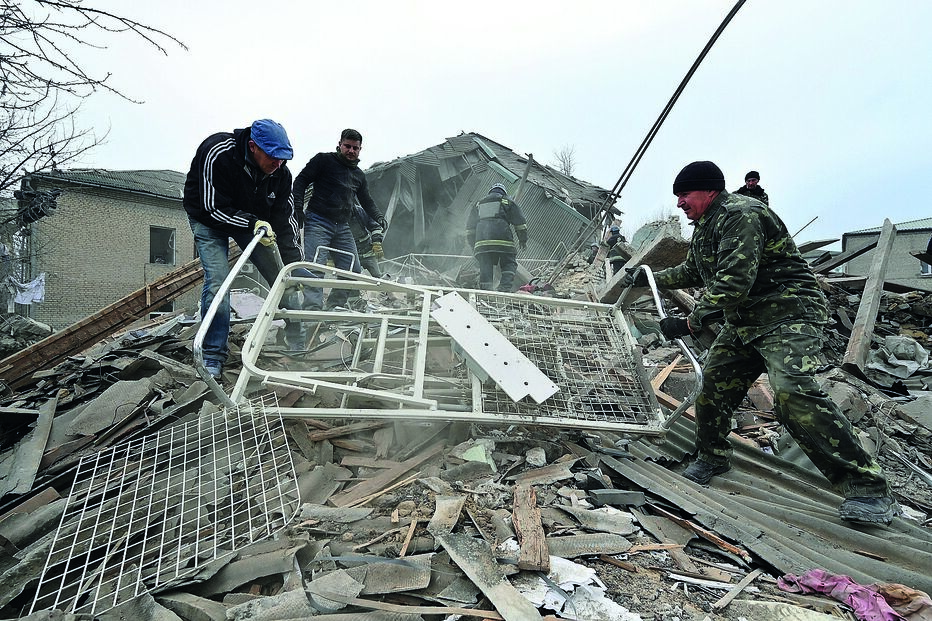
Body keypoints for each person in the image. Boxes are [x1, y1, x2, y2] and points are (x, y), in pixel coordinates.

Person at [622, 160, 897, 525]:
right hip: (746, 322)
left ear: (709, 190)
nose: (679, 204)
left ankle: (868, 489)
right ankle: (713, 456)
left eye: (684, 195)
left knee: (791, 392)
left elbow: (733, 282)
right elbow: (695, 271)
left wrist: (690, 321)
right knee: (713, 386)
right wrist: (646, 277)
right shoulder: (707, 226)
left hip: (787, 314)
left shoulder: (742, 214)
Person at [183, 119, 302, 378]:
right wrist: (252, 223)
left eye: (283, 159)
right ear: (252, 146)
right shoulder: (218, 152)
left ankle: (297, 339)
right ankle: (212, 356)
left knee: (284, 277)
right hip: (209, 216)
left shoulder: (281, 172)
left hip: (253, 220)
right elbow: (210, 207)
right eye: (273, 157)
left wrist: (295, 265)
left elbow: (285, 221)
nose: (278, 164)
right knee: (218, 282)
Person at [291, 129, 386, 311]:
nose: (351, 151)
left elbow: (366, 200)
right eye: (347, 146)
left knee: (352, 269)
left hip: (342, 226)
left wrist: (379, 217)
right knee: (315, 267)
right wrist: (297, 207)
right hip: (318, 221)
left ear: (360, 150)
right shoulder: (323, 161)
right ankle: (312, 311)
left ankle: (335, 306)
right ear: (340, 144)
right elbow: (301, 181)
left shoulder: (358, 175)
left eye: (355, 148)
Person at [465, 182, 528, 291]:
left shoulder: (478, 204)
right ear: (504, 192)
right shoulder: (507, 201)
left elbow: (470, 229)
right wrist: (523, 240)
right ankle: (504, 288)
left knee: (485, 265)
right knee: (509, 263)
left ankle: (485, 293)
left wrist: (473, 245)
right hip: (503, 241)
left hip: (482, 243)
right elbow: (520, 224)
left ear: (490, 192)